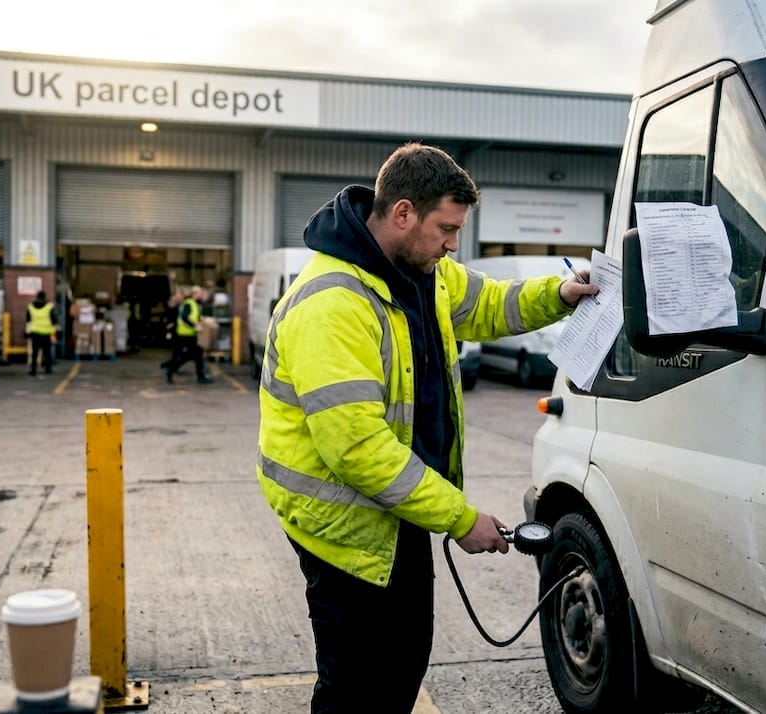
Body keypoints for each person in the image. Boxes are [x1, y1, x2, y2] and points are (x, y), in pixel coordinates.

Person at [255, 142, 598, 712]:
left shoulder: (425, 273)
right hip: (346, 528)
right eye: (446, 227)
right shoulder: (332, 304)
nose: (453, 243)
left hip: (404, 509)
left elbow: (493, 304)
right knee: (358, 687)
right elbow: (359, 450)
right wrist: (461, 518)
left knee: (401, 666)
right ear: (403, 213)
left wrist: (560, 294)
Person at [160, 285, 212, 384]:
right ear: (195, 293)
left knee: (197, 354)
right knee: (186, 356)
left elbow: (194, 317)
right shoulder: (189, 304)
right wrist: (195, 326)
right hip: (185, 335)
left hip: (191, 334)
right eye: (200, 293)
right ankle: (170, 368)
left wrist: (202, 320)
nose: (202, 295)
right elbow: (184, 317)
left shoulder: (195, 304)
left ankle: (200, 376)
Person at [25, 290, 58, 376]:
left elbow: (28, 320)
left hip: (35, 332)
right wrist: (55, 330)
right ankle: (48, 368)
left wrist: (27, 332)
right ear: (44, 297)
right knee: (47, 352)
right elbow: (54, 320)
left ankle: (33, 369)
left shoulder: (30, 306)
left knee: (35, 352)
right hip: (46, 332)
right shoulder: (49, 306)